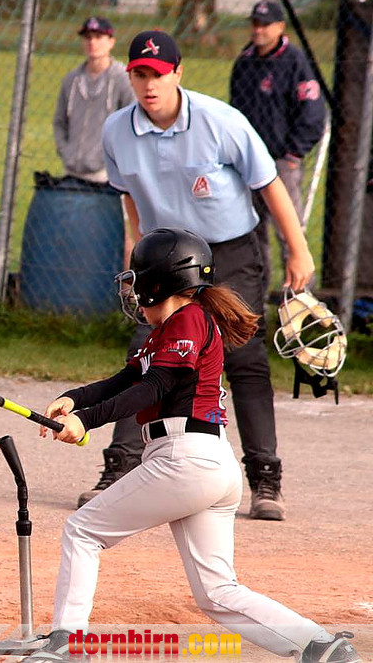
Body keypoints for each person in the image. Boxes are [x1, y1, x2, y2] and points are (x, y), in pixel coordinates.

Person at [22, 228, 361, 663]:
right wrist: (75, 399)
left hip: (185, 460)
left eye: (139, 281)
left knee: (83, 531)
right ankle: (319, 645)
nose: (134, 291)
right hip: (207, 463)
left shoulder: (188, 319)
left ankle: (68, 642)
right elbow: (127, 379)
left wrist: (85, 422)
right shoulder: (168, 329)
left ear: (159, 284)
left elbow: (155, 387)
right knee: (217, 592)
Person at [87, 30, 316, 521]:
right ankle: (120, 466)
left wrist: (298, 250)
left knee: (244, 356)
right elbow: (128, 195)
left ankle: (265, 476)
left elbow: (269, 184)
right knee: (145, 353)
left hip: (229, 250)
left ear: (178, 73)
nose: (149, 85)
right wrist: (135, 248)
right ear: (130, 77)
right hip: (165, 258)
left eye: (158, 74)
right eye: (139, 74)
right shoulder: (117, 130)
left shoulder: (220, 121)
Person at [230, 0, 326, 277]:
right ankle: (256, 297)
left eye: (265, 24)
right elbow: (234, 112)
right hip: (249, 161)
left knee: (289, 231)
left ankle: (298, 295)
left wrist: (294, 154)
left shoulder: (294, 61)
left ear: (281, 26)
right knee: (251, 233)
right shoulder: (245, 61)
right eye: (255, 23)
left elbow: (313, 113)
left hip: (282, 161)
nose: (258, 29)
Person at [52, 16, 135, 184]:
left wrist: (112, 157)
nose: (92, 42)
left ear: (111, 42)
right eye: (88, 37)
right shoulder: (72, 79)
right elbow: (59, 121)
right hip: (72, 171)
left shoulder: (122, 78)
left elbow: (132, 123)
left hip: (107, 176)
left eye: (98, 37)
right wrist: (66, 152)